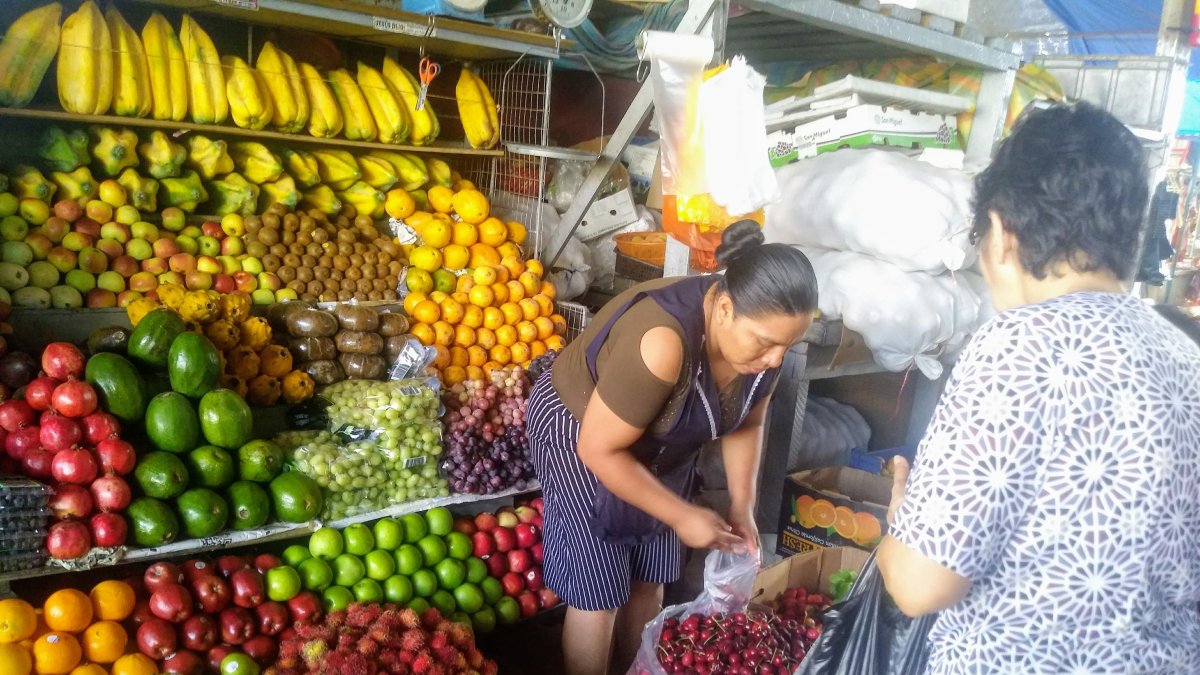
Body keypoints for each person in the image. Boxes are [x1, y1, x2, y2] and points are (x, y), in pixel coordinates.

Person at [876, 101, 1200, 673]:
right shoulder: (1184, 355)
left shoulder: (1018, 346)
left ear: (1001, 233)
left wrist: (902, 519)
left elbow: (920, 583)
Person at [526, 221, 818, 675]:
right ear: (724, 308)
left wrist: (743, 506)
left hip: (665, 441)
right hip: (584, 429)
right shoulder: (662, 341)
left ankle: (637, 666)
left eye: (788, 345)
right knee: (600, 590)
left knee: (653, 574)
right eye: (766, 343)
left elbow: (748, 420)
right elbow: (600, 450)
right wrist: (681, 515)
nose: (776, 358)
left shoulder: (762, 350)